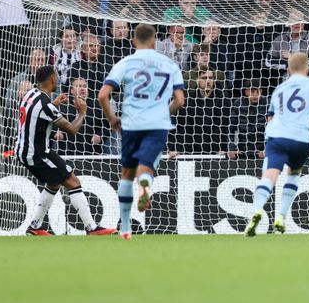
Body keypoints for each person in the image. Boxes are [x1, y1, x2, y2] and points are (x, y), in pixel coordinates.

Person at [97, 24, 186, 240]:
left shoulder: (126, 62)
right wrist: (164, 112)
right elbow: (180, 101)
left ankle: (126, 227)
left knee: (127, 173)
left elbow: (102, 95)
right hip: (157, 124)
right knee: (146, 168)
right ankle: (146, 184)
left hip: (131, 123)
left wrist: (112, 119)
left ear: (134, 41)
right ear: (155, 41)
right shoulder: (169, 63)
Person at [244, 52, 309, 236]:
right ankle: (281, 216)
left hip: (278, 137)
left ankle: (256, 211)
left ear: (288, 69)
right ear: (307, 69)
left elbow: (273, 118)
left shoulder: (279, 88)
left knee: (268, 177)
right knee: (294, 173)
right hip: (302, 140)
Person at [17, 65, 117, 236]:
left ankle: (34, 227)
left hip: (26, 150)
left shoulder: (30, 94)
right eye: (56, 76)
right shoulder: (45, 105)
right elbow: (71, 130)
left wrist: (53, 104)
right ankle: (91, 228)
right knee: (73, 181)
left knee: (54, 183)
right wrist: (82, 113)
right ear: (51, 80)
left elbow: (38, 112)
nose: (58, 79)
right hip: (37, 153)